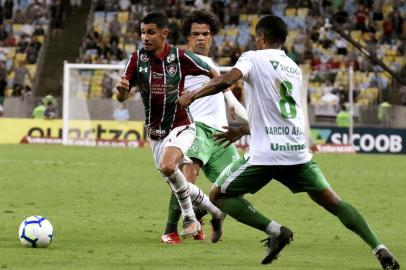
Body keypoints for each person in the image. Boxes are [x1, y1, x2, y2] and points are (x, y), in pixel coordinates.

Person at [179, 15, 400, 269]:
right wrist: (245, 129)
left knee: (218, 196)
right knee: (334, 203)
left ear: (261, 38)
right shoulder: (293, 68)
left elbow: (226, 80)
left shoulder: (252, 57)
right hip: (297, 152)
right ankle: (378, 247)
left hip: (265, 155)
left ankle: (276, 231)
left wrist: (193, 95)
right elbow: (283, 113)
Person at [115, 12, 224, 239]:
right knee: (176, 181)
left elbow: (216, 76)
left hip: (181, 125)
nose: (145, 36)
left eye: (151, 32)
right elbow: (121, 98)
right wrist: (122, 89)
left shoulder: (180, 57)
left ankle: (190, 220)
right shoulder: (136, 59)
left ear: (164, 33)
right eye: (143, 32)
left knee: (168, 167)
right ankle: (215, 212)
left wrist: (193, 94)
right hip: (155, 133)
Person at [161, 9, 248, 244]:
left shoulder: (210, 63)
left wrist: (231, 104)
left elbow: (221, 83)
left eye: (206, 34)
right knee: (188, 175)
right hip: (196, 127)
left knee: (235, 185)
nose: (201, 38)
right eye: (196, 34)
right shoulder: (180, 61)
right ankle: (170, 229)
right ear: (188, 38)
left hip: (221, 132)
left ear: (212, 37)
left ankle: (202, 214)